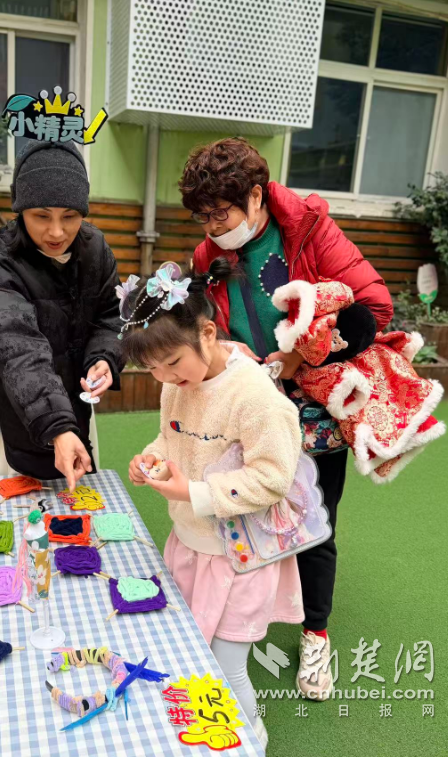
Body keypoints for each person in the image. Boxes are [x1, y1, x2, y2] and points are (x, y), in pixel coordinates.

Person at [179, 137, 394, 699]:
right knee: (241, 508)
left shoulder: (309, 229)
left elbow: (373, 308)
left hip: (315, 400)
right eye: (203, 217)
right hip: (247, 400)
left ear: (255, 196)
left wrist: (301, 356)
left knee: (313, 520)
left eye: (220, 214)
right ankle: (235, 622)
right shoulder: (207, 254)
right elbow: (207, 326)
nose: (212, 227)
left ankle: (315, 634)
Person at [125, 258, 305, 749]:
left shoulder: (256, 397)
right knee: (190, 649)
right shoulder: (175, 385)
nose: (164, 376)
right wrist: (152, 458)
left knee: (227, 666)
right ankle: (204, 728)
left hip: (242, 553)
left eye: (172, 361)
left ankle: (251, 741)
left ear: (207, 332)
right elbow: (171, 438)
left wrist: (194, 492)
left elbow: (274, 479)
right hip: (190, 541)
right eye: (151, 367)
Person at [0, 141, 125, 490]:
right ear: (20, 209)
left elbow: (111, 315)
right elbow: (17, 347)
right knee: (23, 503)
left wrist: (104, 358)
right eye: (42, 216)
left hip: (78, 403)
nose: (57, 232)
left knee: (80, 497)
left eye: (69, 216)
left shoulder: (95, 249)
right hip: (23, 404)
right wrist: (56, 425)